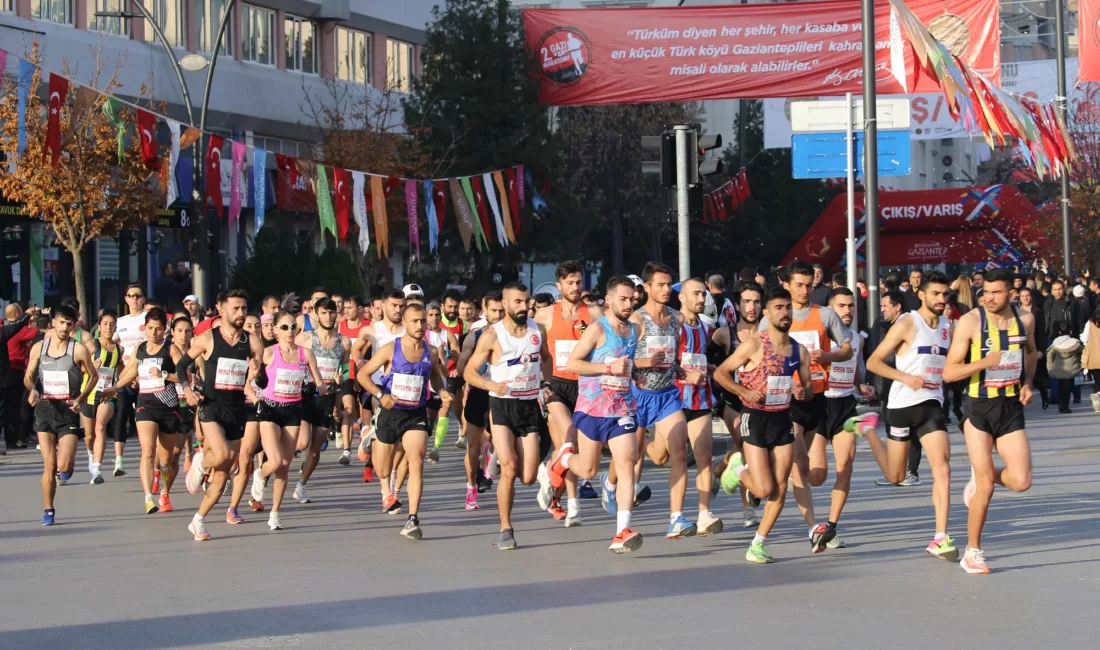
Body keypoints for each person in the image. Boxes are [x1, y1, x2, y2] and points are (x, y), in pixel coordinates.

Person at [943, 267, 1036, 574]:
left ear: (1012, 293)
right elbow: (949, 372)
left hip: (1010, 407)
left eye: (997, 292)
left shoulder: (1026, 320)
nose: (990, 297)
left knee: (1021, 481)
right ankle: (972, 552)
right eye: (986, 291)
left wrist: (1027, 383)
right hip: (978, 408)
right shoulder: (971, 322)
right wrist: (983, 362)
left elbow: (1032, 352)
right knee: (986, 487)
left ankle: (982, 472)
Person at [864, 271, 958, 562]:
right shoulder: (907, 323)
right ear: (922, 295)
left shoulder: (948, 326)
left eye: (945, 294)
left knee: (942, 468)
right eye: (936, 294)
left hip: (931, 404)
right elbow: (873, 362)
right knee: (896, 476)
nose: (942, 299)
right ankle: (867, 428)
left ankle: (940, 537)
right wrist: (904, 376)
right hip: (901, 405)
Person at [549, 275, 644, 553]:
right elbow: (573, 363)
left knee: (627, 463)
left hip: (622, 408)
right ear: (610, 299)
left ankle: (621, 531)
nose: (628, 304)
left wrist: (635, 374)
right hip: (592, 408)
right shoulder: (596, 329)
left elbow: (623, 364)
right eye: (623, 299)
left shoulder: (633, 331)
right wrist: (607, 369)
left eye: (632, 299)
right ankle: (564, 459)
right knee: (588, 469)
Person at [715, 287, 811, 563]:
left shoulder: (798, 350)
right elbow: (721, 373)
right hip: (754, 418)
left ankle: (758, 544)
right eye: (778, 308)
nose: (785, 313)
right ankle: (737, 465)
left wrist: (804, 392)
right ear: (767, 313)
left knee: (780, 487)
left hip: (782, 419)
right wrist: (744, 392)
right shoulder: (755, 344)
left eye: (788, 308)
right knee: (762, 490)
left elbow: (807, 388)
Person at [771, 261, 854, 552]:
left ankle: (756, 467)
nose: (805, 290)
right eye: (799, 285)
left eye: (809, 285)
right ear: (787, 284)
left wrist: (828, 356)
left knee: (816, 475)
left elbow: (847, 349)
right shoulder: (777, 313)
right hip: (786, 399)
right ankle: (815, 529)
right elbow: (760, 349)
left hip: (817, 397)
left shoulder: (826, 315)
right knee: (798, 465)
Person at [465, 283, 552, 550]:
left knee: (526, 477)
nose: (524, 307)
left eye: (526, 302)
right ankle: (506, 528)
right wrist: (492, 386)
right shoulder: (492, 335)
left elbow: (546, 359)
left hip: (529, 406)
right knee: (509, 469)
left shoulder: (538, 330)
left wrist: (546, 385)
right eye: (517, 302)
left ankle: (504, 460)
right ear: (504, 304)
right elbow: (469, 372)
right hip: (501, 405)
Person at [616, 262, 696, 538]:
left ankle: (676, 518)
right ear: (646, 288)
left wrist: (680, 369)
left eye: (668, 284)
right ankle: (610, 482)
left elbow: (671, 356)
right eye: (660, 285)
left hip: (667, 396)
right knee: (631, 456)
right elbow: (619, 360)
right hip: (637, 395)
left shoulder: (677, 319)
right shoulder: (636, 321)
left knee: (678, 455)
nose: (665, 289)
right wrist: (645, 362)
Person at [358, 302, 450, 540]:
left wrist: (442, 392)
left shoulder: (431, 351)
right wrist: (381, 396)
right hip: (391, 412)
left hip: (416, 414)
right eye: (415, 321)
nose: (420, 325)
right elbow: (362, 375)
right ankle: (371, 439)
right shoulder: (391, 349)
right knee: (383, 469)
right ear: (405, 323)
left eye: (423, 321)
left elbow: (436, 379)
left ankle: (412, 519)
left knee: (416, 461)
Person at [180, 289, 267, 541]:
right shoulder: (208, 338)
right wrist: (188, 390)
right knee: (223, 454)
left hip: (236, 410)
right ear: (222, 310)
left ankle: (198, 520)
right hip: (210, 407)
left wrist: (258, 370)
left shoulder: (252, 342)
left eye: (244, 308)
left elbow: (262, 378)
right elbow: (180, 364)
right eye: (236, 308)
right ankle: (200, 462)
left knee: (223, 473)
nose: (241, 313)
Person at [534, 261, 599, 525]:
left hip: (585, 387)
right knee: (570, 437)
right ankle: (570, 503)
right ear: (559, 285)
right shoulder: (546, 315)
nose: (575, 287)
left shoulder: (593, 313)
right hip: (556, 387)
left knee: (566, 449)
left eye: (578, 282)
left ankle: (561, 494)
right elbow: (531, 347)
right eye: (570, 283)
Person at [102, 308, 184, 515]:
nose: (154, 333)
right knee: (148, 451)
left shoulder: (171, 349)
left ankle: (164, 492)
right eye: (150, 328)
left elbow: (186, 377)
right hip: (145, 405)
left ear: (165, 331)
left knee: (167, 460)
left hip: (168, 407)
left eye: (158, 329)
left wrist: (164, 374)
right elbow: (130, 372)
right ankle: (148, 497)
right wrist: (114, 387)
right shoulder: (140, 348)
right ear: (145, 328)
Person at [812, 287, 876, 547]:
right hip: (818, 405)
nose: (847, 311)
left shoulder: (857, 338)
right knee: (817, 476)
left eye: (851, 305)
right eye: (841, 306)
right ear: (829, 310)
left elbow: (855, 367)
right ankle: (794, 472)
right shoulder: (818, 336)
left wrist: (862, 384)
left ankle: (831, 526)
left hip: (845, 406)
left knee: (845, 467)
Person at [23, 305, 97, 525]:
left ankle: (69, 467)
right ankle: (49, 510)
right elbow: (28, 376)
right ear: (53, 322)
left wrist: (81, 399)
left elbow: (92, 376)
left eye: (69, 323)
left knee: (63, 465)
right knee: (49, 465)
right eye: (61, 322)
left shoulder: (78, 350)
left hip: (68, 410)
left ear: (74, 326)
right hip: (44, 408)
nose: (65, 327)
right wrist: (33, 389)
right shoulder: (39, 348)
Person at [255, 311, 324, 530]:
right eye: (284, 327)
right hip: (269, 410)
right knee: (275, 462)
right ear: (274, 330)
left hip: (293, 411)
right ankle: (260, 473)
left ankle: (274, 513)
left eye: (293, 327)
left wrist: (316, 387)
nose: (289, 331)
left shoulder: (306, 354)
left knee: (284, 466)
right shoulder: (267, 353)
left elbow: (320, 382)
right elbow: (248, 381)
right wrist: (254, 395)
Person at [668, 278, 723, 535]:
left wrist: (707, 368)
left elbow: (697, 358)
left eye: (703, 294)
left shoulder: (704, 326)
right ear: (681, 297)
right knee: (667, 455)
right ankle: (676, 515)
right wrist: (685, 374)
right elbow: (666, 363)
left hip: (700, 398)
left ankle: (703, 514)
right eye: (696, 294)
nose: (701, 299)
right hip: (674, 399)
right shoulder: (673, 325)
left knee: (704, 456)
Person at [710, 281, 764, 528]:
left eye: (756, 301)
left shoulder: (768, 335)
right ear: (738, 304)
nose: (751, 307)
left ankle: (719, 468)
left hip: (762, 403)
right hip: (732, 400)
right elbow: (710, 366)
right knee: (744, 445)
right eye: (746, 302)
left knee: (747, 449)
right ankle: (747, 509)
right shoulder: (724, 334)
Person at [293, 297, 350, 501]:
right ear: (316, 315)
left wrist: (340, 381)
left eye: (331, 312)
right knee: (302, 442)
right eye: (324, 313)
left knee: (316, 450)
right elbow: (291, 361)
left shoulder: (344, 342)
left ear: (337, 314)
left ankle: (301, 485)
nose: (328, 316)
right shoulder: (306, 339)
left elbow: (345, 370)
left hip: (327, 398)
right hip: (305, 396)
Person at [455, 292, 505, 507]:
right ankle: (471, 487)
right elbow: (461, 368)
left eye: (502, 310)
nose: (498, 315)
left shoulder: (515, 337)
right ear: (484, 310)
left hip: (501, 395)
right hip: (478, 393)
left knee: (500, 442)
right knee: (473, 447)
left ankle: (491, 456)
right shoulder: (474, 337)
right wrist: (469, 380)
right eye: (494, 310)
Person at [353, 290, 406, 485]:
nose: (398, 309)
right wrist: (359, 362)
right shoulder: (372, 330)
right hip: (377, 385)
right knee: (385, 429)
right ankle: (386, 486)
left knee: (398, 440)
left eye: (401, 306)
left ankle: (369, 434)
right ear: (383, 306)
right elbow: (356, 348)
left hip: (402, 389)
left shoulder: (409, 329)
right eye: (393, 305)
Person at [112, 282, 149, 477]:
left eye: (138, 295)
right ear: (125, 298)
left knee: (143, 418)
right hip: (126, 374)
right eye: (131, 295)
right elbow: (111, 343)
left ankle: (147, 456)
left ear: (143, 298)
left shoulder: (148, 318)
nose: (135, 299)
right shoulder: (120, 321)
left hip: (146, 376)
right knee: (121, 414)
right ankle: (119, 460)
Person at [80, 312, 120, 484]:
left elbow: (123, 369)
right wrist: (89, 367)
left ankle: (96, 469)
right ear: (99, 326)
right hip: (88, 393)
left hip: (107, 393)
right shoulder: (92, 345)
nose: (109, 328)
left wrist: (134, 379)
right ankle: (91, 454)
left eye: (112, 324)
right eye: (105, 324)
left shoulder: (119, 349)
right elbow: (79, 366)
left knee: (100, 427)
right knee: (89, 435)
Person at [1, 304, 36, 452]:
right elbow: (30, 331)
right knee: (11, 409)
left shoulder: (3, 330)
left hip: (6, 378)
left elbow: (16, 326)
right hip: (9, 376)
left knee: (8, 409)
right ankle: (13, 439)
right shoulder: (5, 330)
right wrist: (29, 315)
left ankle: (12, 440)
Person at [1046, 322, 1082, 414]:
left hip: (1059, 370)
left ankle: (1060, 404)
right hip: (1071, 369)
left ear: (1059, 332)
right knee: (1068, 388)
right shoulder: (1075, 343)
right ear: (1070, 332)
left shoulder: (1054, 345)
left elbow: (1049, 357)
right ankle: (1066, 406)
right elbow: (1083, 351)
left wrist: (1050, 369)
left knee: (1060, 387)